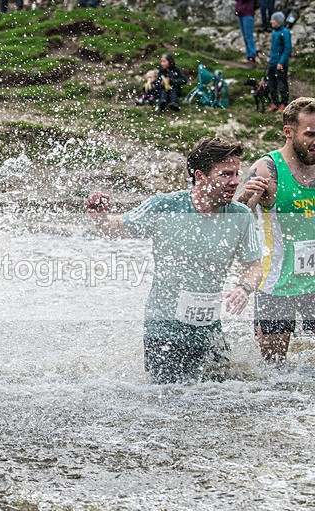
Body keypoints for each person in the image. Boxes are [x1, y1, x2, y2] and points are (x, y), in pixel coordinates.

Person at [85, 137, 262, 384]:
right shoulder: (165, 206)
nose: (235, 182)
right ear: (200, 177)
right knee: (171, 403)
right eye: (225, 175)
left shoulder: (239, 215)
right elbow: (116, 228)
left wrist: (244, 289)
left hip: (210, 331)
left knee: (225, 401)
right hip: (164, 330)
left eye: (236, 173)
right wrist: (100, 217)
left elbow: (254, 266)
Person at [238, 98, 315, 364]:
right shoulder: (267, 170)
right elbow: (237, 223)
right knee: (273, 372)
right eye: (310, 134)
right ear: (289, 132)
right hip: (275, 285)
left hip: (313, 284)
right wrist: (244, 198)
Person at [265, 11, 292, 113]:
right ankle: (275, 102)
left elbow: (287, 49)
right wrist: (270, 58)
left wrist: (281, 62)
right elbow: (274, 49)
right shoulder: (274, 32)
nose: (271, 21)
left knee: (282, 84)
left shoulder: (285, 32)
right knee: (271, 84)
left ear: (279, 21)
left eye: (273, 20)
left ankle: (284, 104)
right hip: (272, 63)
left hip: (280, 64)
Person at [235, 0, 257, 66]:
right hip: (240, 13)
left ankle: (252, 58)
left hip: (248, 13)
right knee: (245, 37)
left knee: (249, 37)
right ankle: (248, 57)